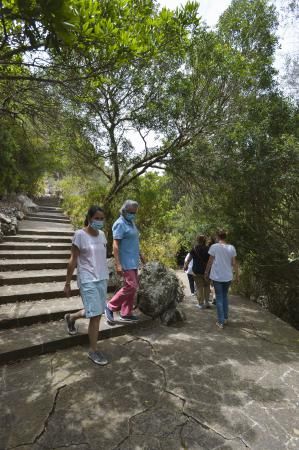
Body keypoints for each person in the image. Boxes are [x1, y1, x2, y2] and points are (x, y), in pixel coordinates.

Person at [64, 205, 109, 365]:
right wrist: (68, 282)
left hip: (102, 278)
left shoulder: (103, 235)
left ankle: (71, 317)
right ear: (89, 218)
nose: (99, 221)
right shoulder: (79, 235)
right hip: (87, 279)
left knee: (95, 311)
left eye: (102, 218)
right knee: (96, 316)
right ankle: (93, 351)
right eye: (96, 218)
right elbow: (73, 260)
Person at [105, 200, 145, 324]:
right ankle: (110, 306)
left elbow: (134, 241)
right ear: (124, 211)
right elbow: (115, 245)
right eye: (131, 212)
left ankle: (126, 312)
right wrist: (117, 264)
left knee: (132, 288)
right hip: (125, 261)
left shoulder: (131, 222)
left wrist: (142, 256)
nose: (133, 214)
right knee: (131, 286)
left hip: (133, 260)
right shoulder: (119, 224)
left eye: (134, 212)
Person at [204, 230, 239, 329]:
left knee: (219, 297)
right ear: (225, 237)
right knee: (224, 297)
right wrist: (237, 276)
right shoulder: (231, 247)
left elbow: (210, 261)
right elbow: (234, 263)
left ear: (217, 236)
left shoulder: (214, 247)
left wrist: (206, 272)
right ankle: (225, 318)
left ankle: (220, 321)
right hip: (227, 276)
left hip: (217, 276)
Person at [184, 235, 210, 309]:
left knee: (199, 287)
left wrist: (185, 266)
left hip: (197, 270)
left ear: (197, 240)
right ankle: (207, 302)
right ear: (205, 240)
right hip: (207, 271)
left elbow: (188, 259)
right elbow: (211, 260)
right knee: (207, 286)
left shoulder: (194, 248)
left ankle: (200, 304)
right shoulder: (208, 249)